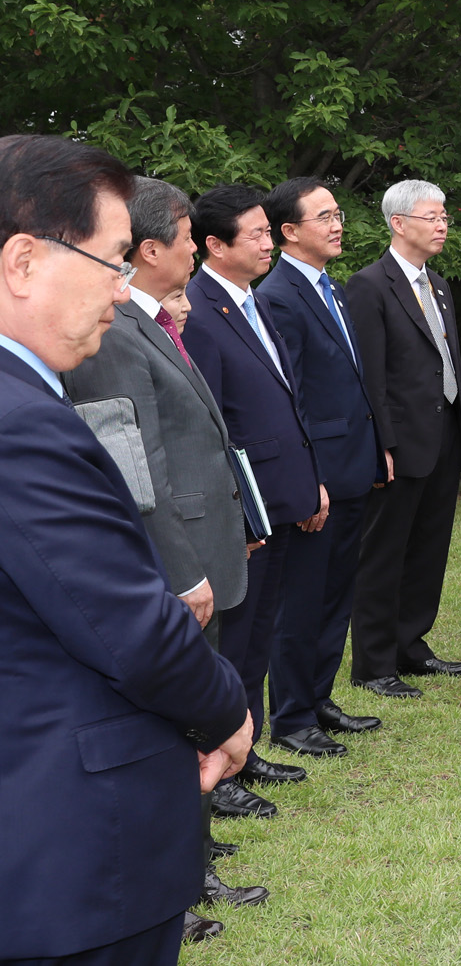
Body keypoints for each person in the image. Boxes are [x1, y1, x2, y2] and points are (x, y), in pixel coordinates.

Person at [0, 134, 252, 965]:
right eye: (111, 260)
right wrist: (226, 712)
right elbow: (131, 629)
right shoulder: (19, 424)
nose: (122, 285)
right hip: (73, 857)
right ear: (23, 262)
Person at [62, 177, 266, 922]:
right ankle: (177, 885)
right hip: (179, 565)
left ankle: (193, 862)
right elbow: (136, 468)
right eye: (186, 240)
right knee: (176, 727)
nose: (194, 253)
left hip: (204, 543)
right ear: (149, 249)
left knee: (193, 725)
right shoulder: (115, 334)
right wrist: (183, 571)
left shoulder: (150, 322)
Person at [183, 185, 331, 819]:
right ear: (215, 246)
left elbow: (287, 402)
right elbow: (211, 426)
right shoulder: (198, 311)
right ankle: (221, 767)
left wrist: (309, 478)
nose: (270, 243)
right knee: (235, 639)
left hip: (283, 492)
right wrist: (239, 512)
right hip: (249, 506)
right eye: (258, 235)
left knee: (261, 630)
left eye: (271, 232)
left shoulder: (254, 301)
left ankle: (248, 747)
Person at [255, 178, 386, 756]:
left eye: (338, 214)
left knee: (336, 593)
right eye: (324, 217)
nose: (337, 225)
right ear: (289, 231)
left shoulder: (329, 286)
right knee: (302, 599)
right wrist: (311, 480)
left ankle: (319, 696)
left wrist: (375, 446)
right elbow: (293, 397)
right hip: (318, 475)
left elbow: (351, 378)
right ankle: (291, 716)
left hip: (353, 461)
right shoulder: (279, 295)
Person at [343, 180, 461, 698]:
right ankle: (374, 663)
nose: (442, 225)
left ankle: (410, 644)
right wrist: (383, 444)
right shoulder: (369, 285)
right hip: (398, 442)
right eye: (432, 217)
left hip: (443, 432)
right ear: (398, 223)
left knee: (427, 548)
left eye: (445, 217)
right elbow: (370, 376)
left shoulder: (437, 284)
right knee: (384, 553)